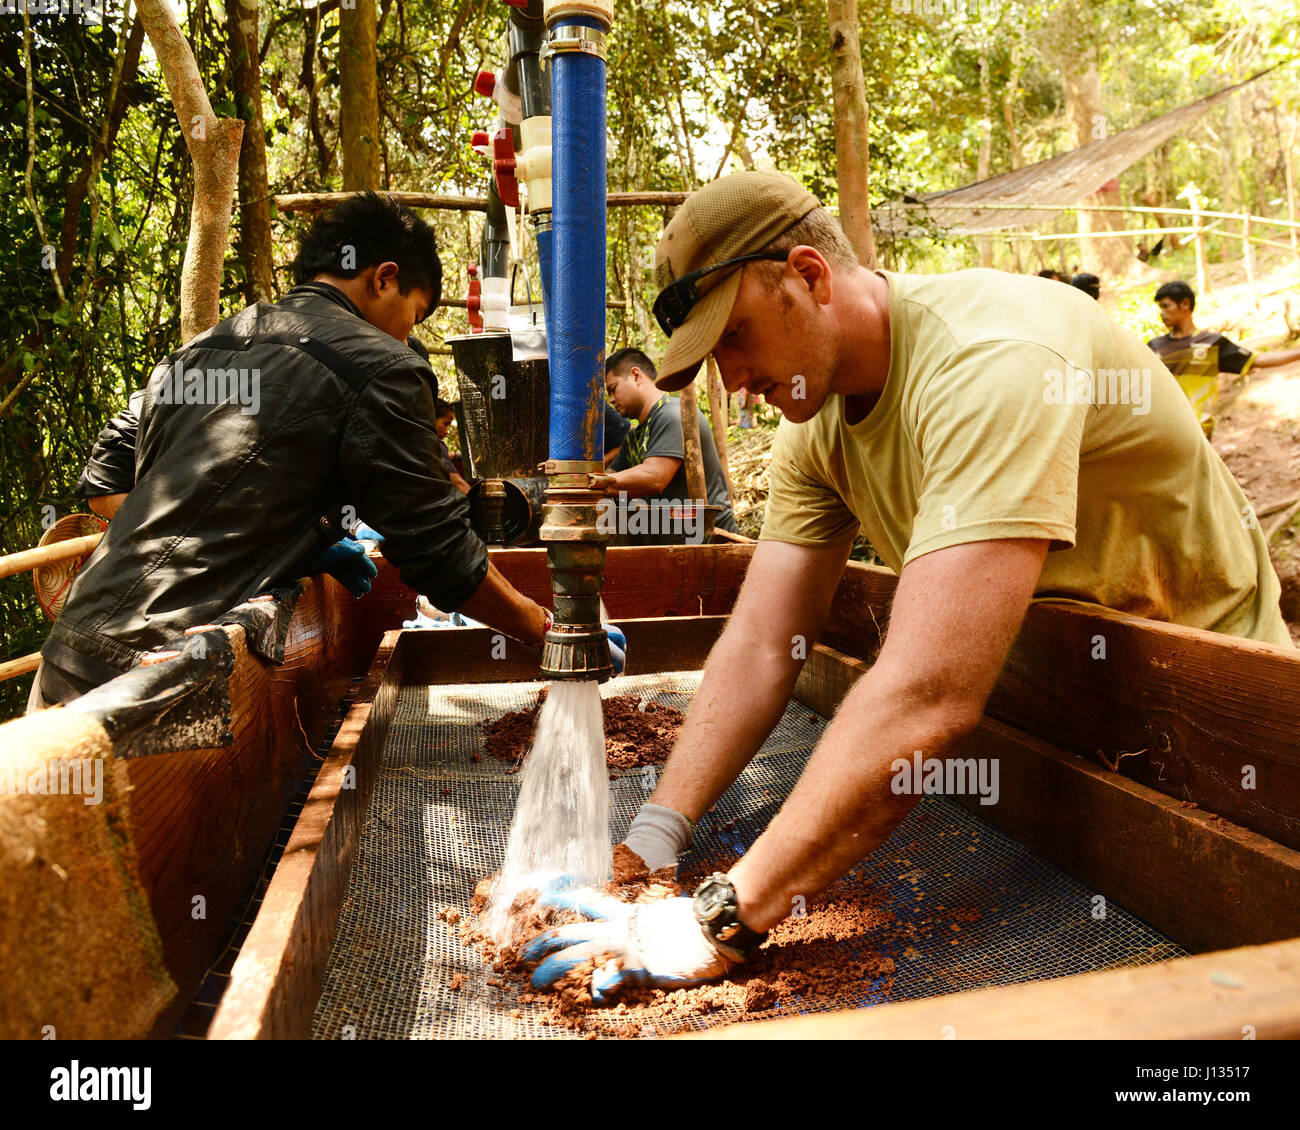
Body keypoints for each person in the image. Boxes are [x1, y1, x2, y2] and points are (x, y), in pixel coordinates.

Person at [522, 169, 1291, 999]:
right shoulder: (815, 424)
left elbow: (927, 694)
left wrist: (720, 917)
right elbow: (760, 641)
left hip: (1218, 745)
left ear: (810, 275)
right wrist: (655, 837)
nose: (732, 379)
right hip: (1050, 722)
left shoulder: (993, 360)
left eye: (736, 337)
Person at [31, 192, 552, 709]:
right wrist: (545, 629)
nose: (406, 334)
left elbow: (119, 480)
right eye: (413, 316)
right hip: (163, 677)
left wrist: (283, 540)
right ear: (384, 277)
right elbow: (439, 552)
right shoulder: (380, 366)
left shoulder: (205, 346)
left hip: (70, 653)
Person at [603, 347, 738, 535]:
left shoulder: (673, 415)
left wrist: (594, 483)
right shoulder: (634, 438)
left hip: (713, 538)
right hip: (676, 541)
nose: (611, 399)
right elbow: (611, 478)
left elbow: (655, 477)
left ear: (635, 376)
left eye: (613, 389)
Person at [1148, 280, 1300, 437]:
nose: (1162, 313)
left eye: (1166, 306)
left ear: (1185, 304)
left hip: (1199, 430)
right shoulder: (1154, 347)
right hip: (1164, 429)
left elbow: (1257, 359)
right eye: (1160, 307)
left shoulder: (1211, 343)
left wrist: (1297, 353)